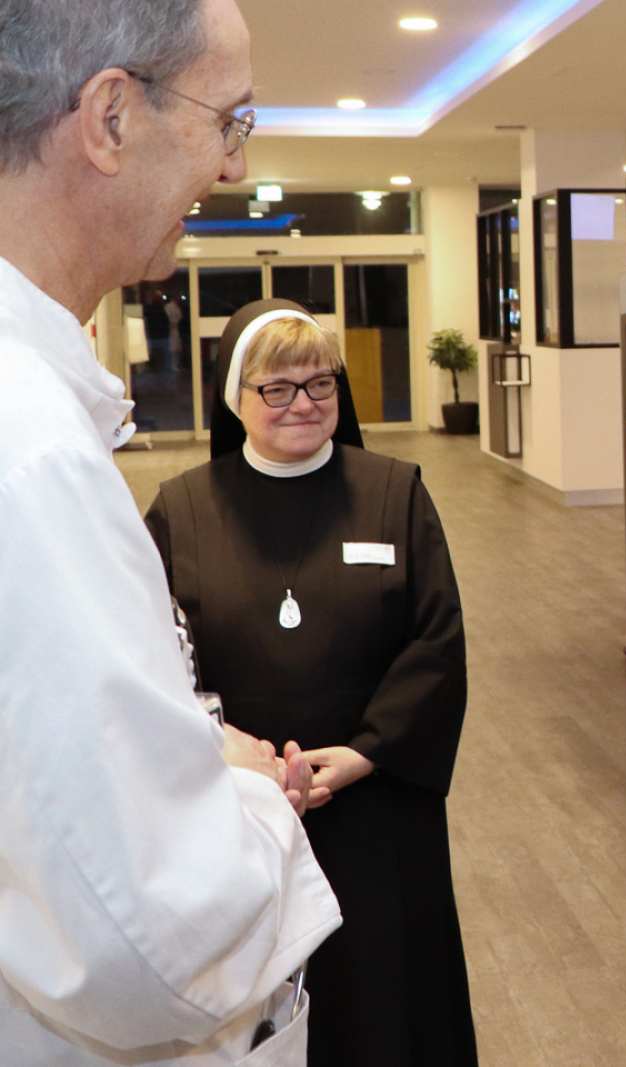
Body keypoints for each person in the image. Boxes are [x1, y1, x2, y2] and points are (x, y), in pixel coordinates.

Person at [0, 1, 343, 1064]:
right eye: (227, 119)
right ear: (110, 119)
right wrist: (244, 782)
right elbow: (148, 935)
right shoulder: (34, 455)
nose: (232, 167)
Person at [145, 300, 478, 1067]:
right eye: (278, 388)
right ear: (236, 397)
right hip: (239, 804)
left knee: (385, 997)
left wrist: (364, 751)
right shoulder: (182, 509)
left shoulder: (396, 491)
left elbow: (437, 640)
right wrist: (231, 747)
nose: (304, 404)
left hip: (376, 801)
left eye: (320, 384)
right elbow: (151, 654)